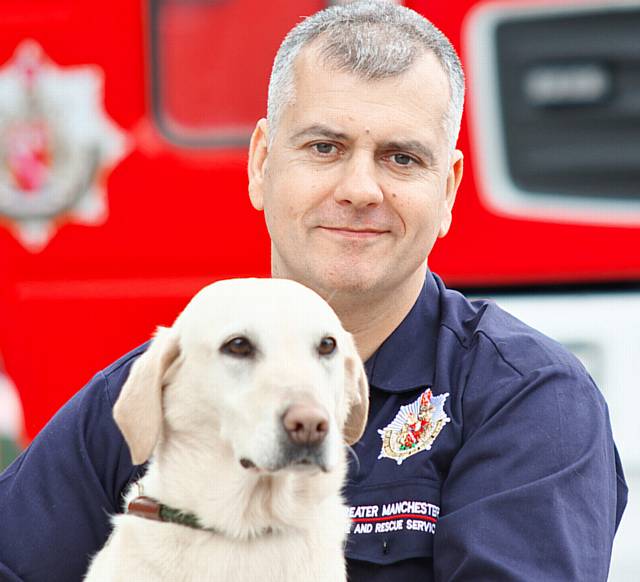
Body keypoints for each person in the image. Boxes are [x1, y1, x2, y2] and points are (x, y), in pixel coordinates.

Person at [0, 2, 627, 580]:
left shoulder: (529, 402)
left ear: (449, 191)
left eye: (401, 158)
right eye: (324, 148)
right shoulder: (163, 384)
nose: (360, 188)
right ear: (261, 164)